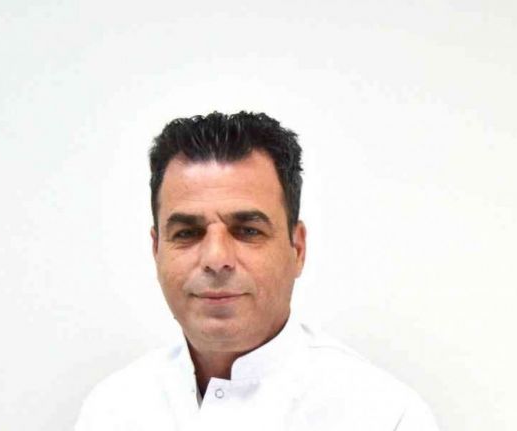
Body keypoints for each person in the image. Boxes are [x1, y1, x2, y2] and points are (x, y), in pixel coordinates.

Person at [74, 112, 440, 430]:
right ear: (156, 250)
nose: (216, 258)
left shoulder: (385, 416)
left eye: (248, 230)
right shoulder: (111, 411)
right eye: (187, 233)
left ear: (297, 248)